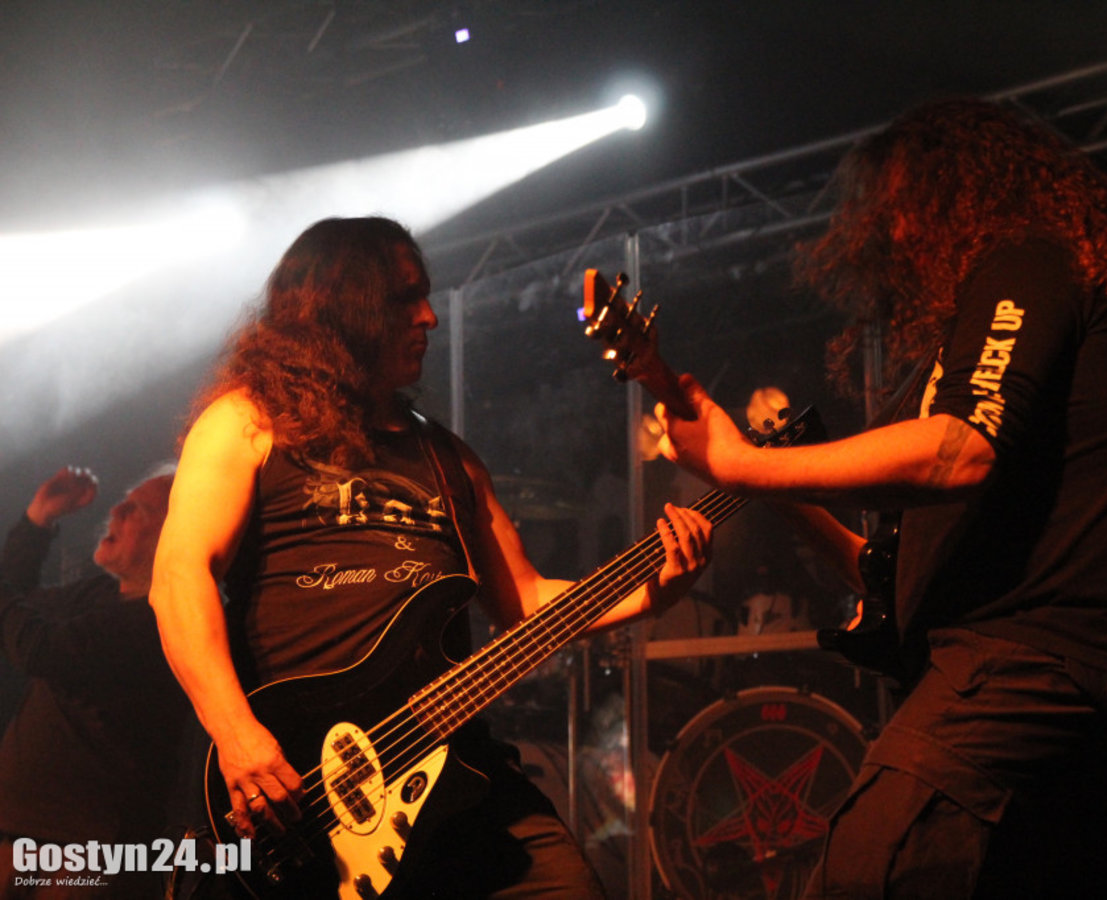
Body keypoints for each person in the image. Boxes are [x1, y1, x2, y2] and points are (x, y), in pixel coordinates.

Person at [654, 99, 1107, 897]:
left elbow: (960, 449)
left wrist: (742, 464)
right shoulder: (1045, 289)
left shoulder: (1028, 258)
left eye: (902, 205)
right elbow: (894, 580)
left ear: (958, 188)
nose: (894, 232)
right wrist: (759, 482)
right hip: (1060, 681)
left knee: (868, 872)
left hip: (1023, 668)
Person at [149, 215, 711, 898]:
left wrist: (654, 590)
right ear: (340, 309)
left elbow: (525, 599)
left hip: (451, 760)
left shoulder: (447, 459)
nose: (429, 317)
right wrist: (236, 732)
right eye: (404, 298)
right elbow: (179, 576)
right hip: (304, 774)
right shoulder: (248, 420)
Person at [0, 465, 189, 899]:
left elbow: (38, 648)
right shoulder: (102, 595)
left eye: (137, 509)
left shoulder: (160, 619)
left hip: (81, 855)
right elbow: (19, 603)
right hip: (21, 836)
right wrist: (39, 518)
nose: (116, 510)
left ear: (175, 535)